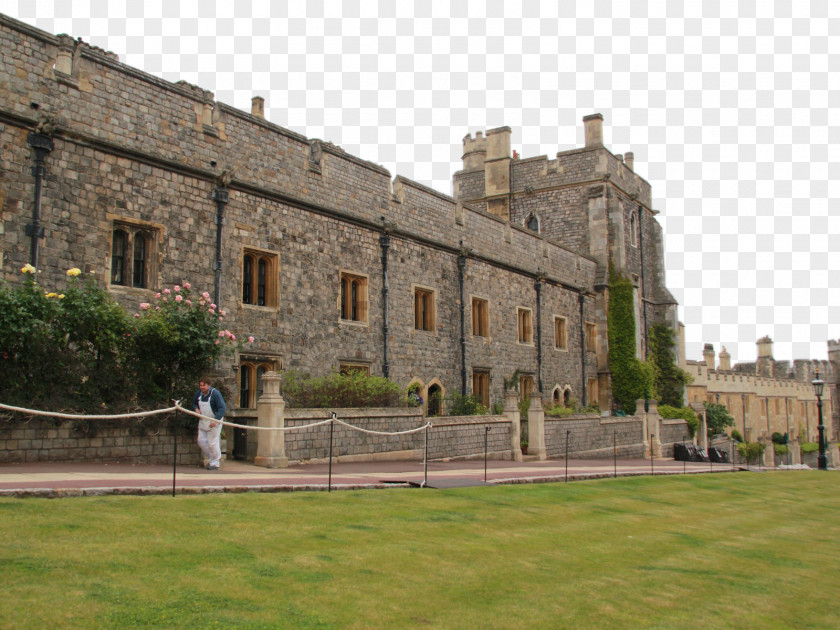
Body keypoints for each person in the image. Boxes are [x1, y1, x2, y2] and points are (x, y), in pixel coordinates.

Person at [193, 377, 226, 470]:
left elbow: (222, 408)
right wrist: (196, 409)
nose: (202, 387)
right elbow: (194, 403)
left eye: (204, 385)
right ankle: (213, 459)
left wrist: (215, 420)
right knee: (201, 441)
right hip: (203, 420)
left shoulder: (215, 394)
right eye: (201, 385)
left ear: (209, 385)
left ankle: (215, 463)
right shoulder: (198, 394)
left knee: (212, 443)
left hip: (214, 420)